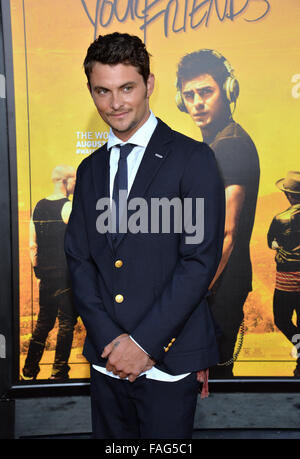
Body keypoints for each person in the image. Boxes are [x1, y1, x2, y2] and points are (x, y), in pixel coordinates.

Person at [65, 32, 225, 439]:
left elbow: (199, 261)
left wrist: (142, 344)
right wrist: (110, 341)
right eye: (103, 90)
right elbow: (80, 262)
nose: (115, 103)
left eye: (127, 88)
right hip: (106, 361)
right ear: (91, 90)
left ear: (149, 85)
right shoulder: (89, 171)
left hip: (168, 362)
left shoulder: (194, 159)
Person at [175, 49, 260, 378]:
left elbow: (226, 234)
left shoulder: (231, 146)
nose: (197, 102)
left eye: (206, 92)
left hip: (217, 289)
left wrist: (193, 292)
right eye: (189, 94)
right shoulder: (215, 145)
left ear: (228, 91)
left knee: (211, 387)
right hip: (212, 286)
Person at [22, 165, 78, 380]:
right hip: (66, 276)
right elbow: (78, 246)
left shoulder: (38, 206)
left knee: (44, 322)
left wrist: (38, 272)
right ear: (66, 181)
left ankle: (29, 370)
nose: (76, 183)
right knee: (66, 322)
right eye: (74, 179)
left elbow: (32, 245)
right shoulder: (68, 208)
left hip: (45, 276)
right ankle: (59, 370)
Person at [267, 171, 300, 378]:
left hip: (287, 276)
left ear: (288, 195)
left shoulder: (280, 218)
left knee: (282, 319)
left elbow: (271, 243)